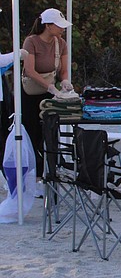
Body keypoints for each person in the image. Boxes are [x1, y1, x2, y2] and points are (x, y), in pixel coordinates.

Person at [21, 9, 73, 182]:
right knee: (32, 133)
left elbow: (63, 70)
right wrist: (49, 86)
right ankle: (34, 176)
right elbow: (30, 70)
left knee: (50, 132)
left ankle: (50, 173)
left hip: (50, 95)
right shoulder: (31, 41)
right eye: (59, 26)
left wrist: (64, 81)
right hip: (31, 94)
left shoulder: (61, 43)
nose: (62, 29)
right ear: (48, 26)